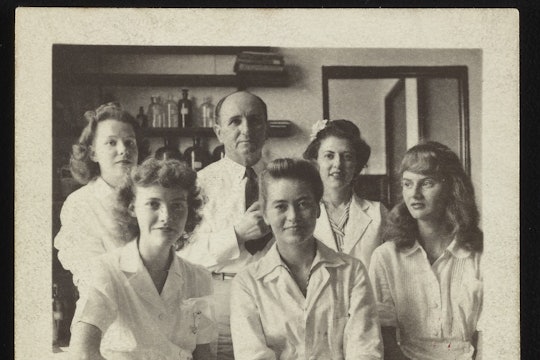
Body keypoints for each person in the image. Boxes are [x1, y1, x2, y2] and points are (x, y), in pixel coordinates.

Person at [230, 158, 383, 360]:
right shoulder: (247, 283)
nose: (293, 216)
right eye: (281, 206)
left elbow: (365, 351)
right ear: (265, 214)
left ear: (318, 208)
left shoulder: (351, 271)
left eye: (303, 204)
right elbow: (253, 356)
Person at [69, 158, 216, 360]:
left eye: (177, 206)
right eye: (153, 204)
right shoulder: (106, 271)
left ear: (189, 211)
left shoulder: (199, 277)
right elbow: (82, 354)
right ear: (132, 208)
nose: (166, 216)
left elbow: (203, 355)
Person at [177, 90, 273, 359]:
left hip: (274, 302)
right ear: (219, 132)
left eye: (255, 120)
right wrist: (236, 235)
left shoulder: (283, 181)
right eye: (235, 121)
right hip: (219, 303)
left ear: (266, 128)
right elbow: (183, 256)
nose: (246, 129)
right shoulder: (198, 185)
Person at [369, 141, 483, 360]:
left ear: (452, 187)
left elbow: (488, 335)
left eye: (427, 183)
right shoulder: (385, 257)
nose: (415, 194)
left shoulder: (479, 254)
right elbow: (385, 337)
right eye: (407, 184)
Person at [54, 102, 145, 289]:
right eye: (111, 142)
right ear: (93, 153)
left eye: (130, 142)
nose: (123, 150)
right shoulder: (80, 203)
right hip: (108, 307)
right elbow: (92, 272)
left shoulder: (151, 195)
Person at [304, 119, 387, 270]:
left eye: (347, 157)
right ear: (316, 161)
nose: (338, 164)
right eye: (329, 156)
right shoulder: (303, 212)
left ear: (356, 164)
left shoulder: (378, 213)